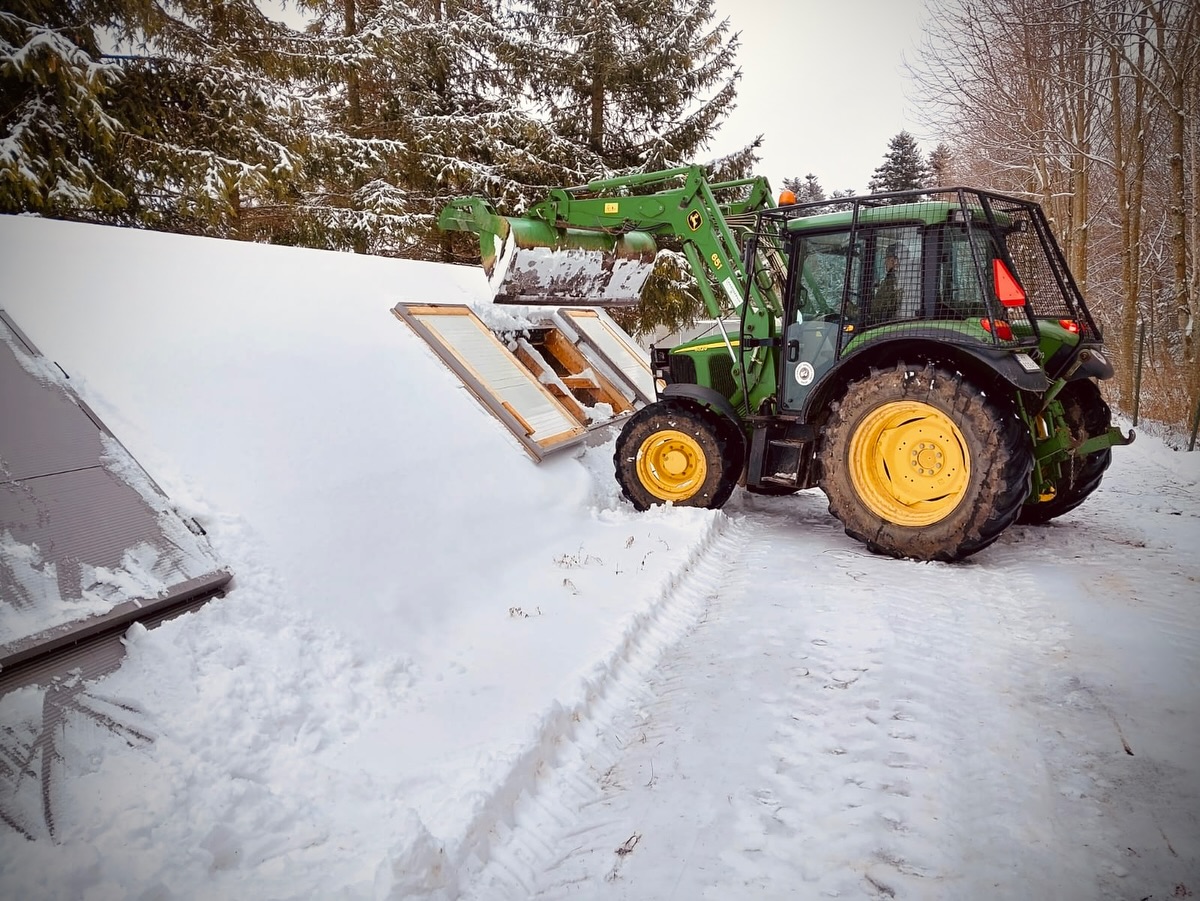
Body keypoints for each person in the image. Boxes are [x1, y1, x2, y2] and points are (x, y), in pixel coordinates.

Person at [872, 242, 902, 321]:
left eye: (888, 259)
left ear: (895, 261)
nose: (885, 262)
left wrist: (851, 309)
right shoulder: (903, 278)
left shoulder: (892, 282)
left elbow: (876, 310)